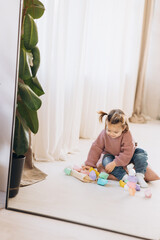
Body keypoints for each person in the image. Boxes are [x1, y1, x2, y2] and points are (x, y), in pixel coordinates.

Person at [84, 109, 149, 188]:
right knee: (106, 161)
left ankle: (140, 175)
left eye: (115, 132)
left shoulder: (127, 134)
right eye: (109, 130)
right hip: (111, 155)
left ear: (123, 128)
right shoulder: (104, 133)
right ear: (106, 125)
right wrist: (90, 165)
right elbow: (96, 148)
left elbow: (127, 152)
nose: (111, 134)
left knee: (141, 153)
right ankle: (124, 177)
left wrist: (115, 163)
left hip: (129, 156)